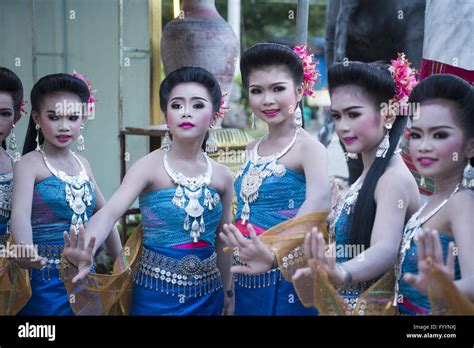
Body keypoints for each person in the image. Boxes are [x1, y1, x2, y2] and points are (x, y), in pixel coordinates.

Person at [62, 66, 234, 315]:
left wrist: (228, 294)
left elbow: (223, 240)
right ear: (166, 116)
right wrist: (87, 246)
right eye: (176, 106)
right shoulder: (148, 166)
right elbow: (110, 212)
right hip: (155, 297)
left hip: (208, 296)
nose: (186, 112)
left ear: (215, 116)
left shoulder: (222, 176)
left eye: (197, 105)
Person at [292, 56, 420, 314]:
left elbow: (385, 247)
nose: (342, 127)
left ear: (389, 112)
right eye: (337, 116)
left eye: (353, 114)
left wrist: (342, 271)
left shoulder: (392, 179)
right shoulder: (369, 174)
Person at [220, 43, 332, 315]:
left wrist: (274, 254)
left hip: (287, 271)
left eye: (277, 89)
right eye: (257, 91)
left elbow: (319, 200)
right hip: (247, 271)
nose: (267, 100)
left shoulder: (309, 148)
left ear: (299, 90)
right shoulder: (251, 148)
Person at [10, 73, 121, 315]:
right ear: (38, 118)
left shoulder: (83, 164)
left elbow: (106, 214)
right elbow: (19, 214)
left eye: (72, 117)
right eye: (54, 117)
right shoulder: (29, 164)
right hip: (42, 279)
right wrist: (25, 248)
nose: (64, 126)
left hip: (83, 276)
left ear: (83, 118)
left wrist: (121, 261)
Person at [396, 74, 474, 314]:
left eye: (439, 135)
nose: (423, 146)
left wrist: (445, 288)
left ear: (471, 146)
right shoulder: (432, 203)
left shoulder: (461, 202)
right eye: (417, 135)